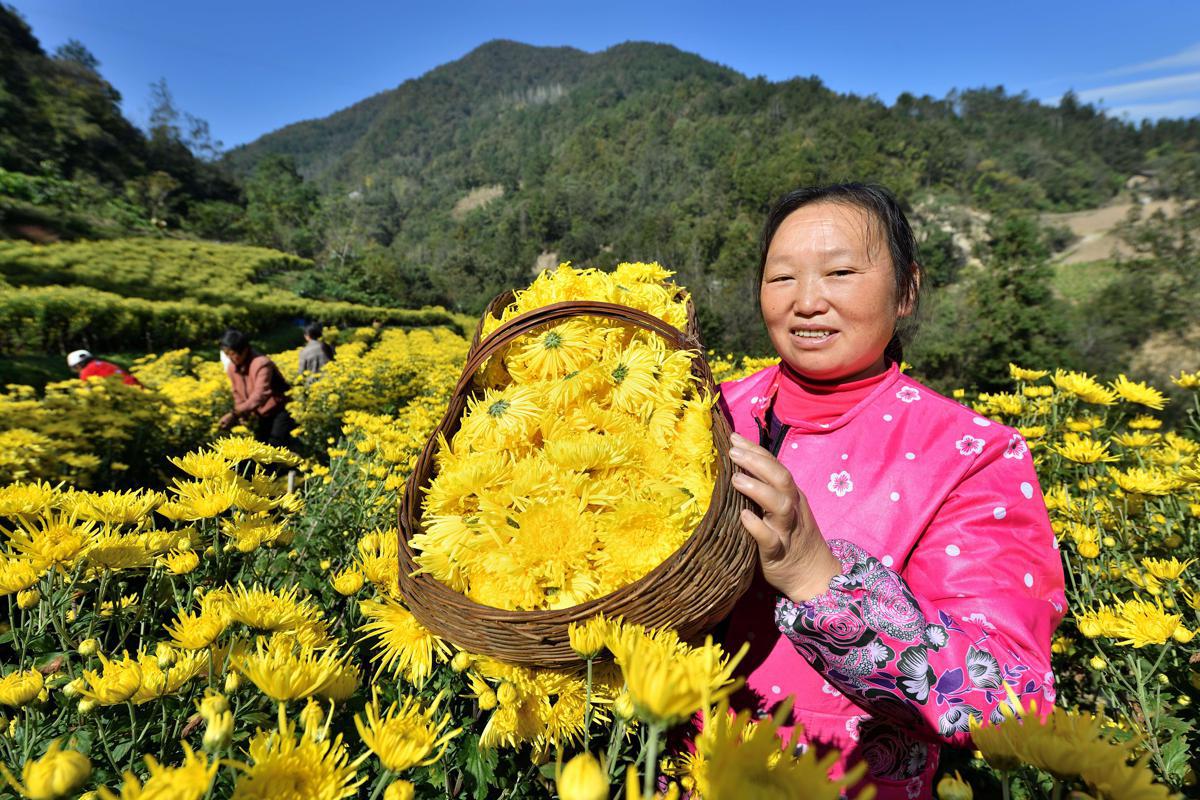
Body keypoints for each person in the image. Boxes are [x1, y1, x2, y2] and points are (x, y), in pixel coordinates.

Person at [718, 184, 1065, 799]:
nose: (806, 302)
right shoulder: (707, 412)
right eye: (781, 278)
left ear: (906, 290)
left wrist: (816, 577)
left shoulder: (971, 456)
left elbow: (1012, 699)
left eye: (841, 272)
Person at [217, 329, 296, 449]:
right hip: (261, 414)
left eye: (233, 353)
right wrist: (241, 414)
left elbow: (260, 394)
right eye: (227, 354)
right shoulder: (232, 368)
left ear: (245, 349)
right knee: (260, 448)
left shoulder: (262, 363)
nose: (231, 358)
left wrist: (235, 413)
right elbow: (237, 393)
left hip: (279, 410)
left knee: (276, 447)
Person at [67, 350, 142, 387]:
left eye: (75, 367)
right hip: (137, 387)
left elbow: (88, 392)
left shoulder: (87, 371)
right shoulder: (103, 364)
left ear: (79, 364)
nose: (77, 370)